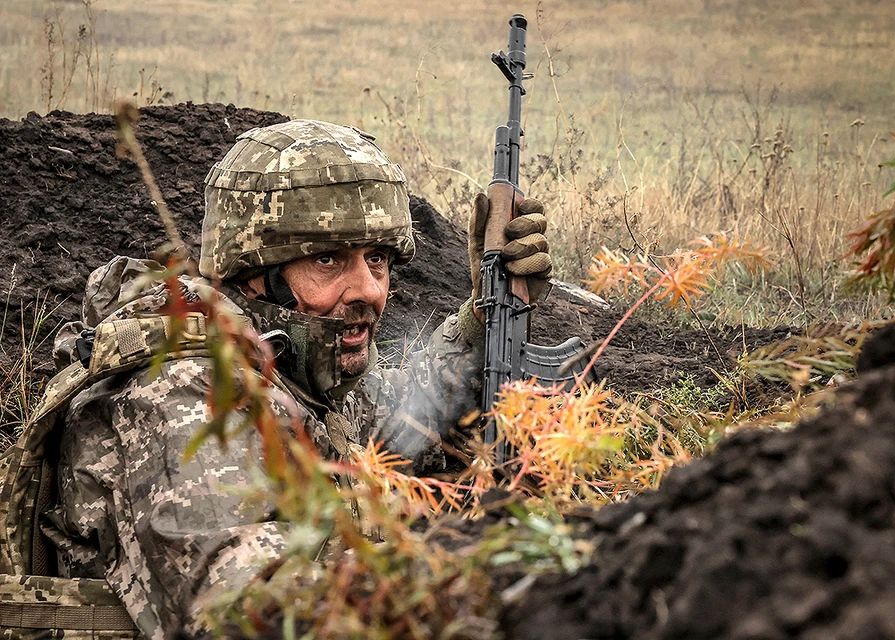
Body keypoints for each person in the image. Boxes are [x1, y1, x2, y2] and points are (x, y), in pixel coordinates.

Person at [16, 119, 551, 639]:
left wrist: (486, 316)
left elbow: (392, 423)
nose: (368, 289)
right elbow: (251, 612)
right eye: (327, 260)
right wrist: (463, 586)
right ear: (253, 273)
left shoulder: (290, 363)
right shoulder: (186, 397)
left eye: (378, 259)